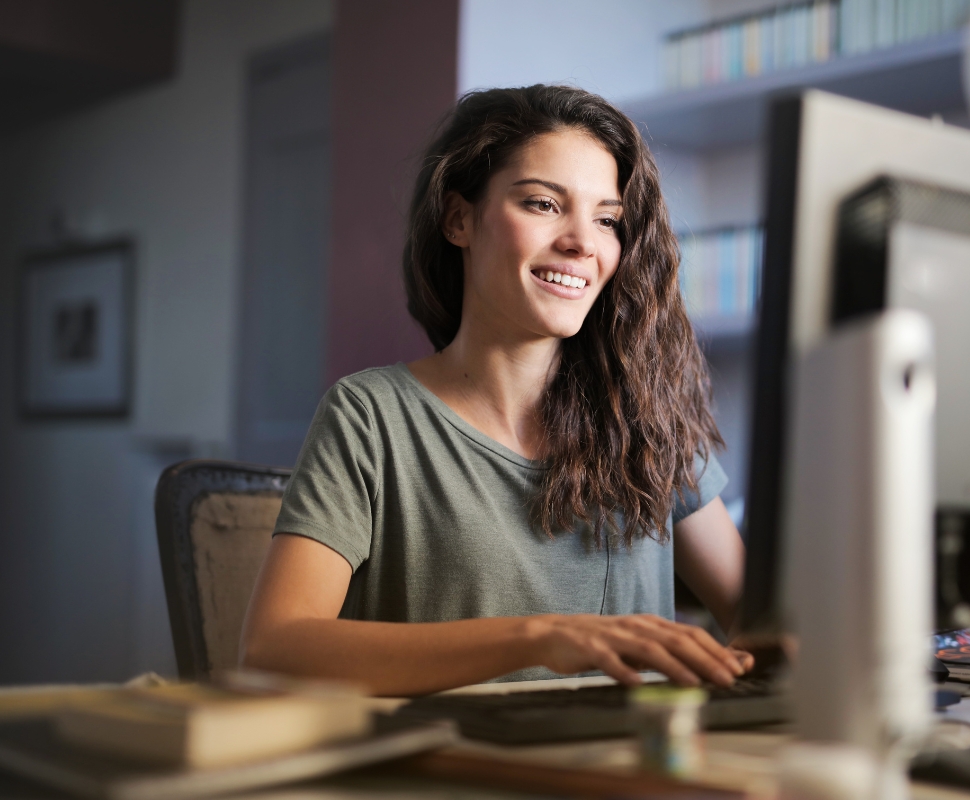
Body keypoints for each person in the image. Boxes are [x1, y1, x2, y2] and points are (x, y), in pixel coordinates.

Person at [240, 85, 751, 697]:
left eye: (608, 219)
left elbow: (762, 624)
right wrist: (540, 638)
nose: (582, 242)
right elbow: (275, 647)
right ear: (460, 219)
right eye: (542, 204)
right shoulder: (370, 417)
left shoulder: (648, 419)